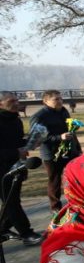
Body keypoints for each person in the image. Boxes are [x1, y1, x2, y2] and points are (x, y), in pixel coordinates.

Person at [0, 91, 43, 245]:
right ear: (1, 104)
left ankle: (2, 228)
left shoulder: (16, 120)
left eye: (17, 100)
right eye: (12, 101)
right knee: (11, 202)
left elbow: (17, 142)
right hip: (2, 170)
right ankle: (26, 233)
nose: (17, 103)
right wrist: (16, 151)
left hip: (16, 166)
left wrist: (31, 142)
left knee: (12, 200)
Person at [30, 90, 83, 213]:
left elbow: (71, 131)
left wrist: (77, 148)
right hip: (51, 154)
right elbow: (38, 138)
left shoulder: (64, 111)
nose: (59, 101)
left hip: (70, 151)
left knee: (75, 177)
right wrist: (60, 137)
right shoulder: (39, 116)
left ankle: (79, 202)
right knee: (55, 181)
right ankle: (55, 207)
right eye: (56, 99)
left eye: (60, 98)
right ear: (45, 101)